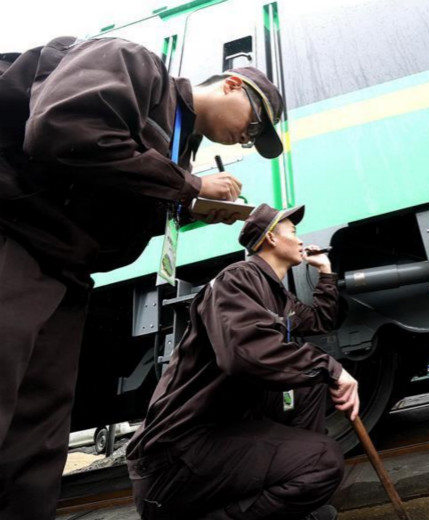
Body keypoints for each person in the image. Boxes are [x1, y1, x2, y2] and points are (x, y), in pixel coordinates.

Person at [0, 35, 285, 519]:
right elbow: (61, 127)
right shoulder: (136, 65)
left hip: (67, 274)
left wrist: (191, 207)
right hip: (14, 241)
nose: (247, 140)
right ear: (233, 84)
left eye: (254, 142)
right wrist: (189, 186)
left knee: (38, 438)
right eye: (254, 126)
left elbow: (111, 194)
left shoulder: (180, 149)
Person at [126, 203, 357, 520]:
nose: (300, 239)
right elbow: (246, 354)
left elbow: (320, 320)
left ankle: (294, 478)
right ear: (271, 239)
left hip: (211, 439)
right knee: (324, 461)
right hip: (175, 459)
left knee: (308, 387)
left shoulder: (277, 296)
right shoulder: (236, 280)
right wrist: (334, 370)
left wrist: (326, 271)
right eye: (292, 230)